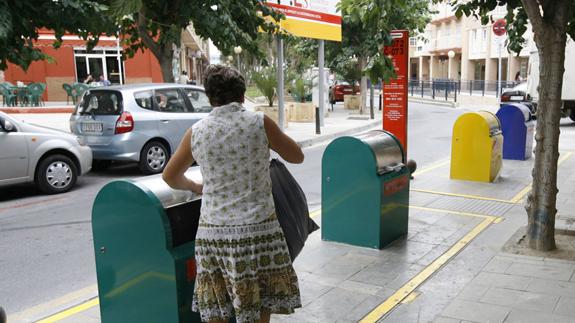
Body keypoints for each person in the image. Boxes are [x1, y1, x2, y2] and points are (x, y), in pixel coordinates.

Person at [163, 65, 303, 323]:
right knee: (259, 302)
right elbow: (297, 156)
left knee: (216, 306)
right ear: (242, 96)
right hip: (257, 233)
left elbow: (170, 176)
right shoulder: (259, 122)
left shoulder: (197, 131)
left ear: (209, 97)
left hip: (212, 234)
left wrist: (196, 187)